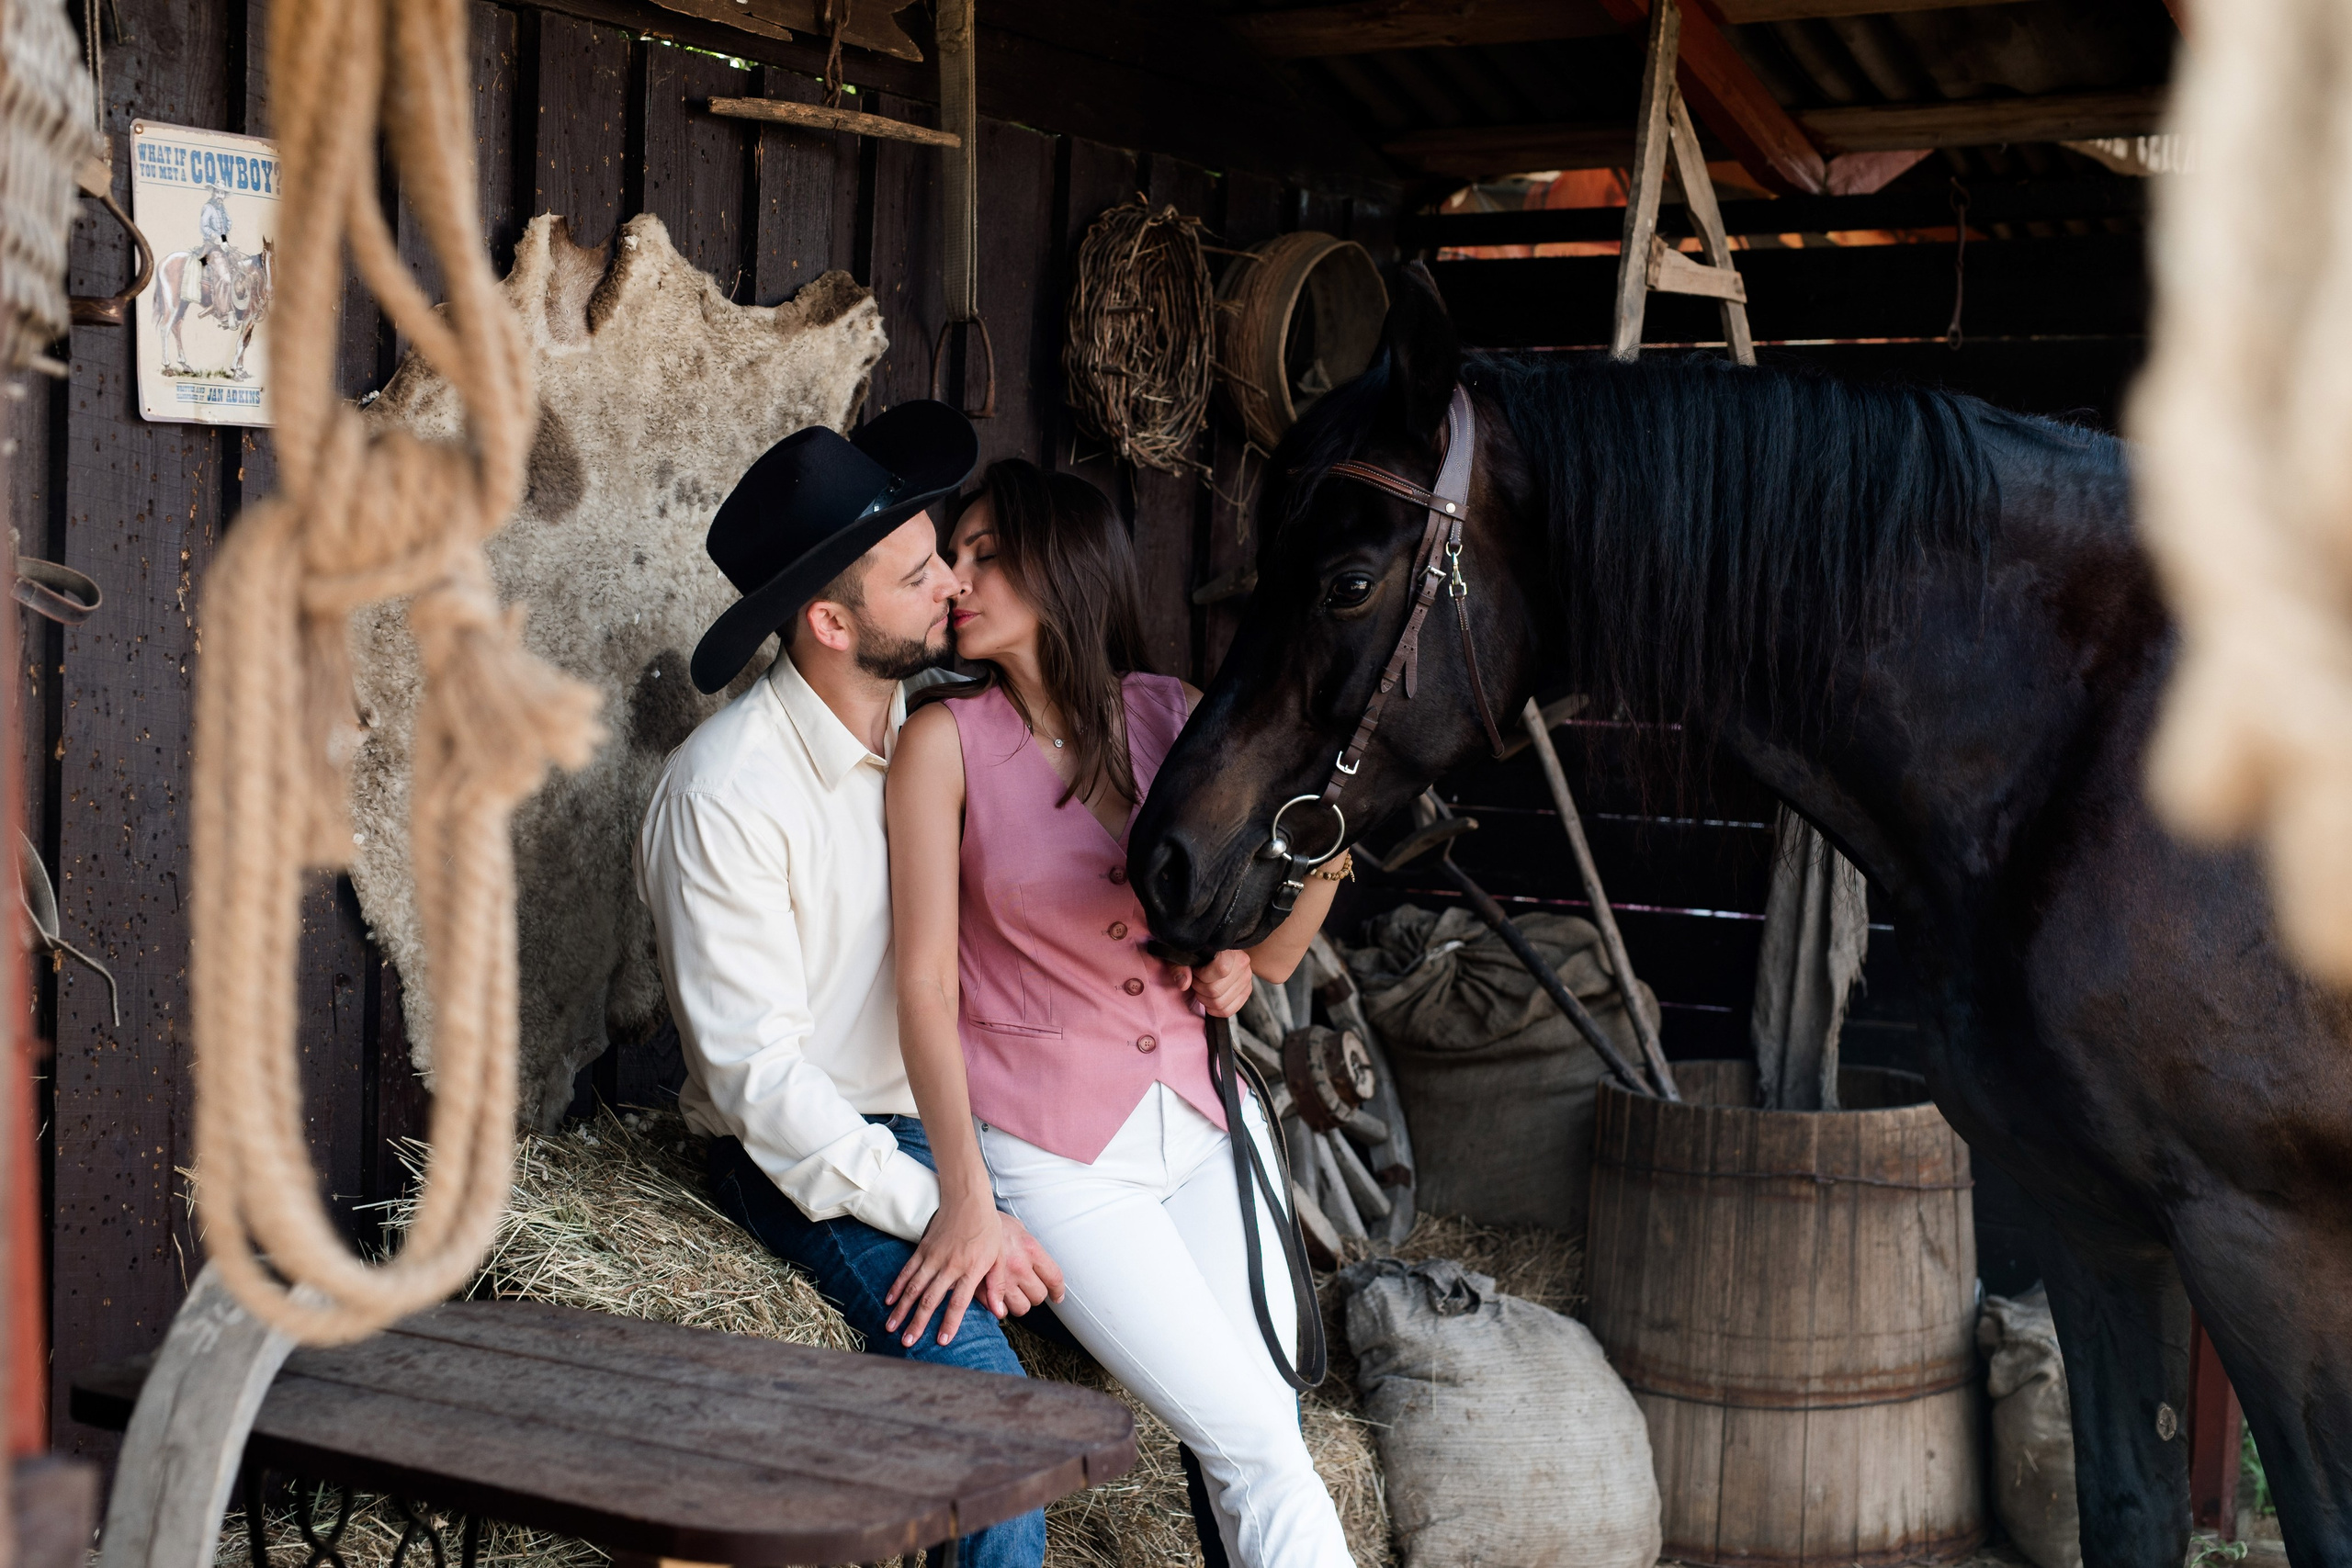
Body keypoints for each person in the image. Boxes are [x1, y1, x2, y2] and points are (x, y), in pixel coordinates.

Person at [885, 459, 1358, 1568]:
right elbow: (922, 985)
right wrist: (967, 1196)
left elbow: (1274, 950)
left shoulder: (1175, 718)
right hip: (1057, 1155)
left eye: (987, 552)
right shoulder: (940, 744)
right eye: (958, 553)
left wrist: (1255, 938)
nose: (956, 575)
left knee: (1265, 1431)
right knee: (1252, 1440)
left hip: (1205, 1120)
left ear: (1067, 566)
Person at [634, 403, 1059, 1568]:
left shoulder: (941, 732)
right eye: (918, 572)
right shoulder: (724, 793)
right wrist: (949, 1216)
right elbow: (760, 1082)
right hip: (812, 1158)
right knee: (996, 1434)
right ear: (829, 620)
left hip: (965, 1123)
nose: (949, 589)